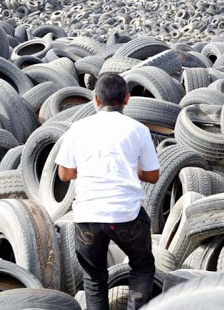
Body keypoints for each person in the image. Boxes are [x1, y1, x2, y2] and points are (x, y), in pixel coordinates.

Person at [55, 74, 160, 310]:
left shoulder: (77, 129)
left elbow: (64, 174)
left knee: (94, 279)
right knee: (142, 267)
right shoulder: (139, 129)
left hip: (88, 218)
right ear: (127, 99)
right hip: (127, 217)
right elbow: (153, 176)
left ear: (96, 100)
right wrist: (132, 170)